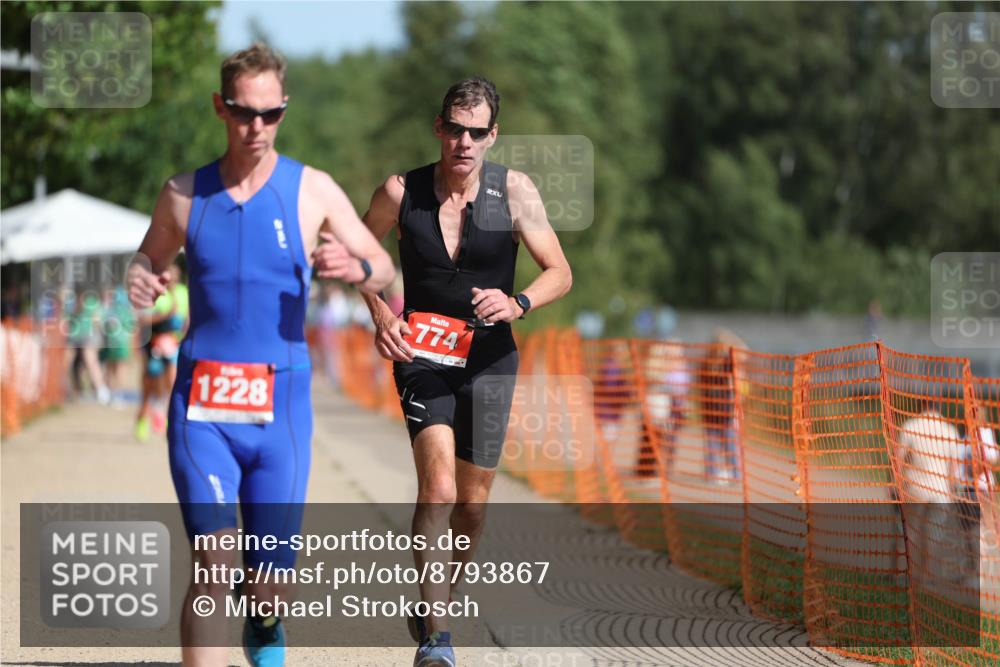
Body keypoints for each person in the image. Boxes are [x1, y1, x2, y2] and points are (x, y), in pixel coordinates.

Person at [126, 43, 394, 667]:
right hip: (203, 407)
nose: (257, 128)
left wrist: (355, 265)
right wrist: (140, 277)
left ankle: (266, 614)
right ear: (220, 107)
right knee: (214, 564)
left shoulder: (314, 191)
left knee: (270, 579)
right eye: (245, 113)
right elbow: (147, 260)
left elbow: (381, 266)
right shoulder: (183, 194)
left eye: (271, 115)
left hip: (282, 409)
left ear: (284, 110)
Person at [359, 76, 572, 666]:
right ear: (439, 127)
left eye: (477, 133)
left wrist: (519, 302)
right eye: (455, 128)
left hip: (491, 359)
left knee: (472, 504)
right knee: (440, 488)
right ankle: (438, 638)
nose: (465, 143)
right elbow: (358, 253)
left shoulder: (516, 191)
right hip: (421, 357)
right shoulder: (402, 191)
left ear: (492, 136)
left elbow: (560, 271)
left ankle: (442, 597)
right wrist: (381, 311)